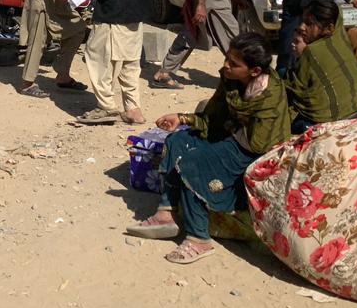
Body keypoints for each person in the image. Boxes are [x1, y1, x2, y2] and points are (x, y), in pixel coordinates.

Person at [125, 33, 291, 265]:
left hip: (252, 152)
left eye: (234, 63)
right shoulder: (231, 80)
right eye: (227, 58)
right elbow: (214, 115)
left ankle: (199, 238)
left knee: (193, 164)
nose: (226, 65)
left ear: (254, 71)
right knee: (177, 142)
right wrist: (182, 118)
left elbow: (259, 145)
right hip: (231, 136)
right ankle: (167, 213)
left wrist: (228, 132)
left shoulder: (269, 96)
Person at [286, 0, 357, 132]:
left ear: (329, 28)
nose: (302, 27)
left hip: (327, 117)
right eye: (303, 21)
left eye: (309, 23)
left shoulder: (312, 52)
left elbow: (297, 89)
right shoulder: (341, 41)